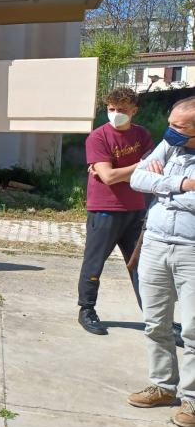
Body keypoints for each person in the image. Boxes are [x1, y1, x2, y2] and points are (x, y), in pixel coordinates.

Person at [126, 96, 195, 427]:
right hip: (155, 244)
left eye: (178, 127)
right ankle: (164, 386)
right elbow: (138, 180)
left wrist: (160, 187)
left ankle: (192, 401)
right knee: (155, 323)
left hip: (190, 250)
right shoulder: (169, 148)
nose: (169, 131)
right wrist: (180, 184)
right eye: (169, 123)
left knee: (194, 329)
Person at [77, 88, 154, 335]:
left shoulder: (142, 134)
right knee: (95, 262)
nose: (116, 114)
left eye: (122, 110)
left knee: (142, 266)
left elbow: (155, 169)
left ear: (134, 110)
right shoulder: (98, 137)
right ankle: (86, 310)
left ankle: (155, 319)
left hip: (136, 209)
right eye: (111, 109)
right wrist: (139, 167)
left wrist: (122, 171)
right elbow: (109, 177)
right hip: (105, 209)